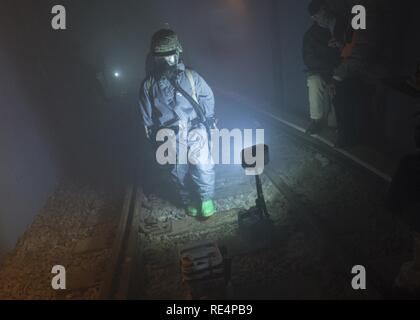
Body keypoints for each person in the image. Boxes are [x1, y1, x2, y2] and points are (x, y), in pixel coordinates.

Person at [139, 29, 216, 218]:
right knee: (176, 170)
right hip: (169, 134)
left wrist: (210, 120)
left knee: (203, 164)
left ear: (178, 55)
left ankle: (206, 198)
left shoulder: (191, 77)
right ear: (154, 59)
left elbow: (207, 97)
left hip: (195, 127)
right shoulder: (149, 85)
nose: (166, 63)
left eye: (170, 58)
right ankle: (187, 199)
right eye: (161, 59)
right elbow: (145, 114)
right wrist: (151, 136)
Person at [302, 0, 346, 135]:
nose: (325, 15)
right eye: (321, 13)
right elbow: (309, 60)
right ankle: (316, 120)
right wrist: (329, 74)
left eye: (325, 11)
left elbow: (350, 53)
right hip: (321, 72)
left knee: (333, 122)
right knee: (314, 81)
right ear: (314, 17)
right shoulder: (310, 35)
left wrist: (340, 46)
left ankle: (337, 124)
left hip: (339, 72)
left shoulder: (340, 26)